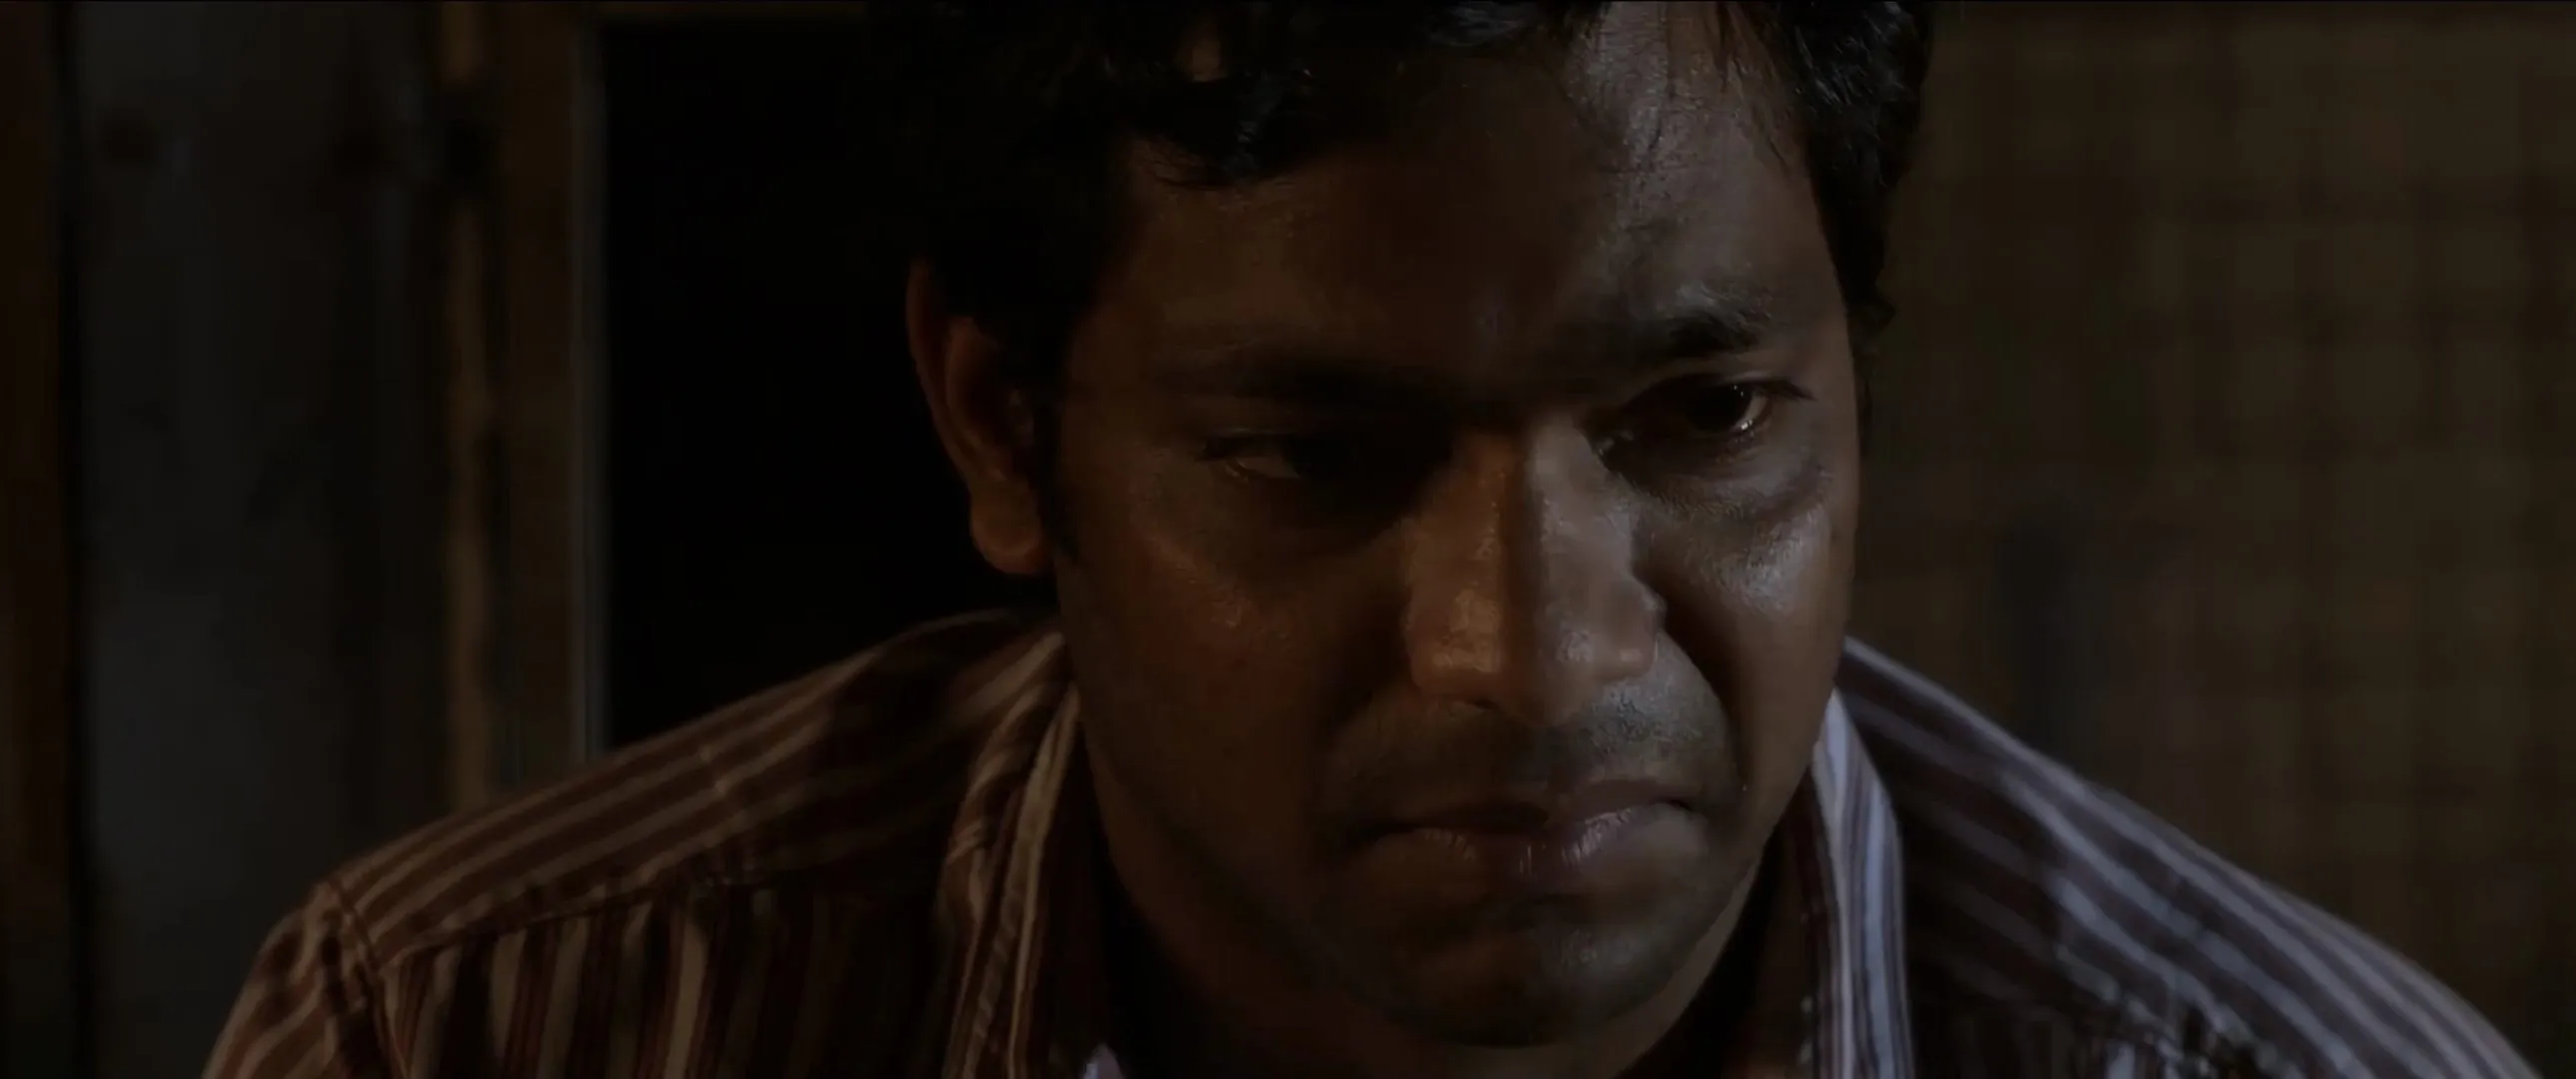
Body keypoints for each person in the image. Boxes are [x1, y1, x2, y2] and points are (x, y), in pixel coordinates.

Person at [207, 4, 2536, 1077]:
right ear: (1001, 427)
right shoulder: (484, 1032)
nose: (1535, 657)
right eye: (1311, 452)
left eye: (1702, 416)